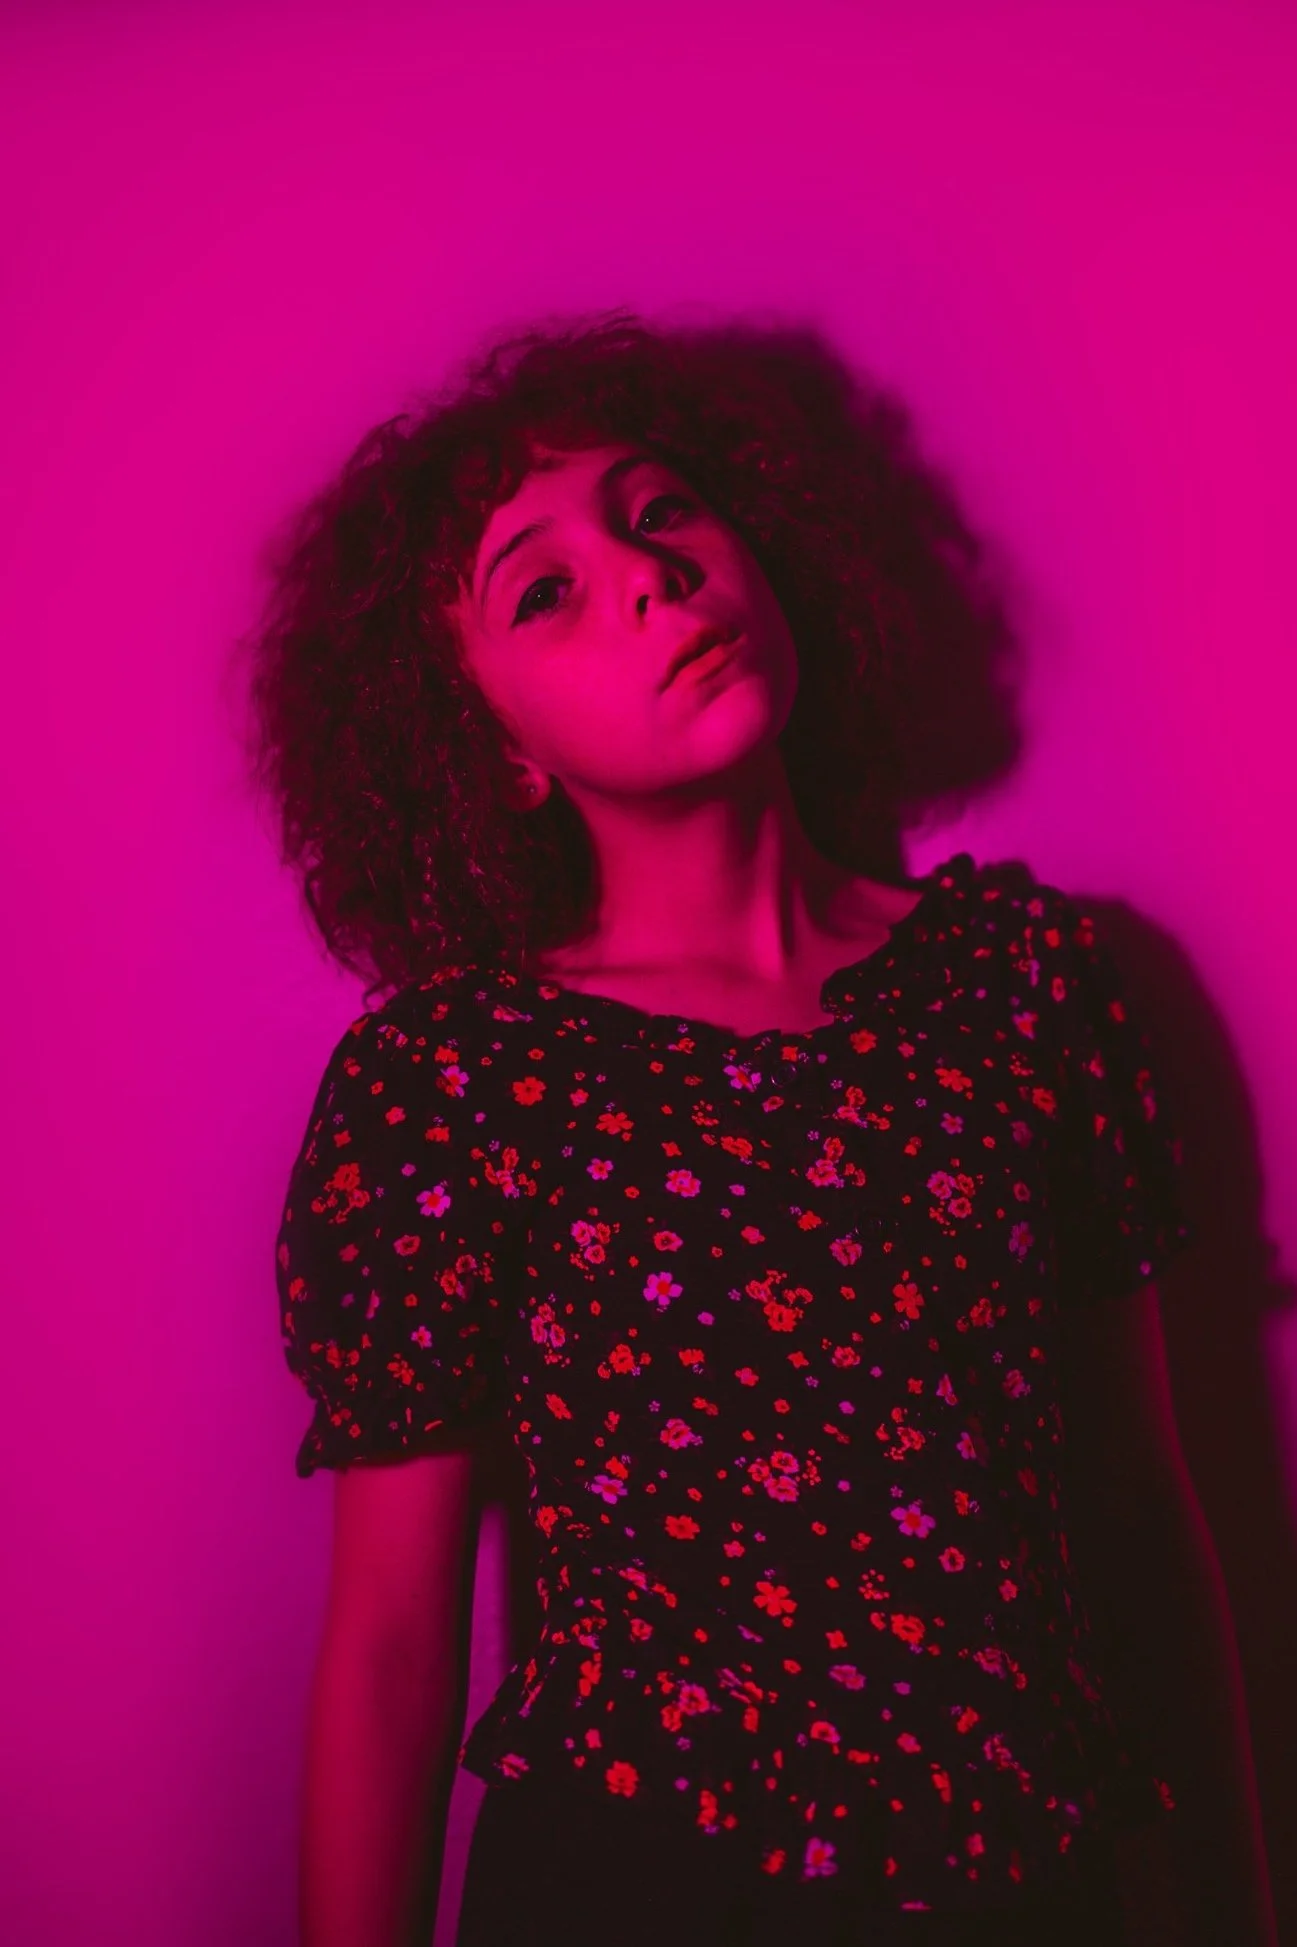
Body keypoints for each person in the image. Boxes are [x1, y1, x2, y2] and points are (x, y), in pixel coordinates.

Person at [248, 312, 1274, 1946]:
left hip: (1037, 1884)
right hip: (642, 1884)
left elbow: (1140, 1511)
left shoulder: (1021, 983)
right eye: (546, 589)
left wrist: (1237, 1902)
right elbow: (387, 1643)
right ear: (496, 751)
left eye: (662, 513)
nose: (649, 578)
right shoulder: (456, 1081)